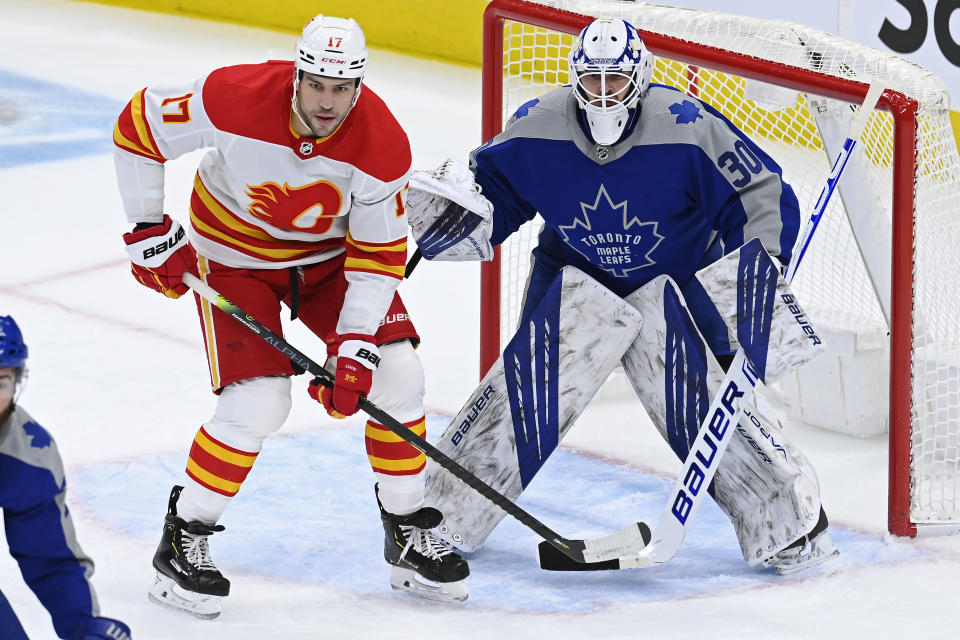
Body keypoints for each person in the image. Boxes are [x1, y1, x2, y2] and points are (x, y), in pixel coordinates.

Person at [407, 18, 838, 573]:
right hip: (573, 277)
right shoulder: (539, 126)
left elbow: (759, 190)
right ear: (574, 80)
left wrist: (759, 265)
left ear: (640, 79)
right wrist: (464, 216)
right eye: (593, 81)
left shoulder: (685, 126)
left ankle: (786, 523)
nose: (604, 93)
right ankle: (446, 512)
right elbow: (494, 190)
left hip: (676, 286)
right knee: (525, 392)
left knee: (702, 406)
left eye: (616, 81)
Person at [112, 14, 468, 613]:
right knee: (258, 403)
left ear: (359, 85)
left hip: (329, 264)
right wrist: (150, 230)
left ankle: (406, 528)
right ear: (297, 75)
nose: (328, 102)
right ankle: (185, 538)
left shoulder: (382, 145)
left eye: (343, 87)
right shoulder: (234, 97)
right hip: (232, 258)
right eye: (317, 84)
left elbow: (378, 257)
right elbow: (137, 126)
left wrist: (354, 349)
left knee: (399, 376)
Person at [0, 316, 132, 640]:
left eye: (0, 382)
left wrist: (81, 624)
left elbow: (49, 556)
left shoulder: (28, 458)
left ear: (17, 382)